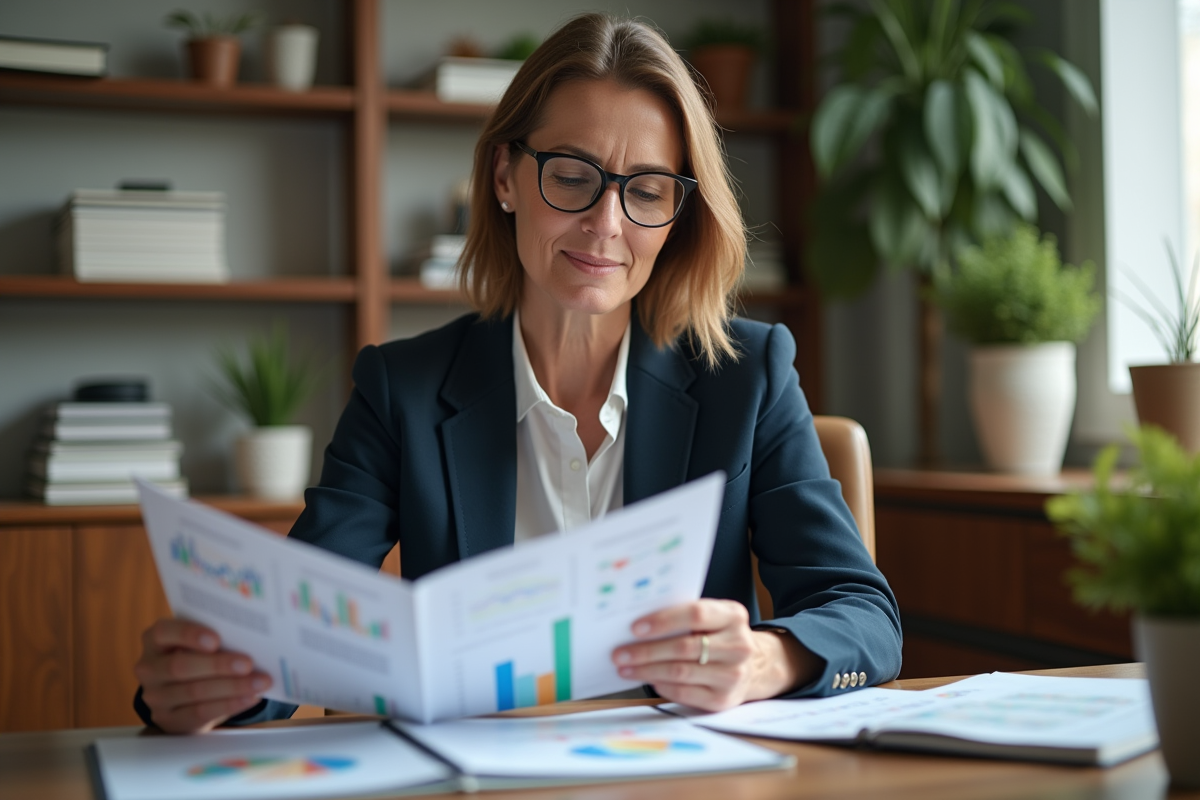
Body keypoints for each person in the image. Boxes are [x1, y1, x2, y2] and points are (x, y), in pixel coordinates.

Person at [133, 13, 902, 735]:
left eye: (647, 191)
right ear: (505, 175)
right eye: (572, 175)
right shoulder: (401, 390)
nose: (607, 224)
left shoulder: (748, 375)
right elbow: (293, 627)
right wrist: (206, 689)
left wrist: (762, 660)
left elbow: (863, 615)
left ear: (679, 213)